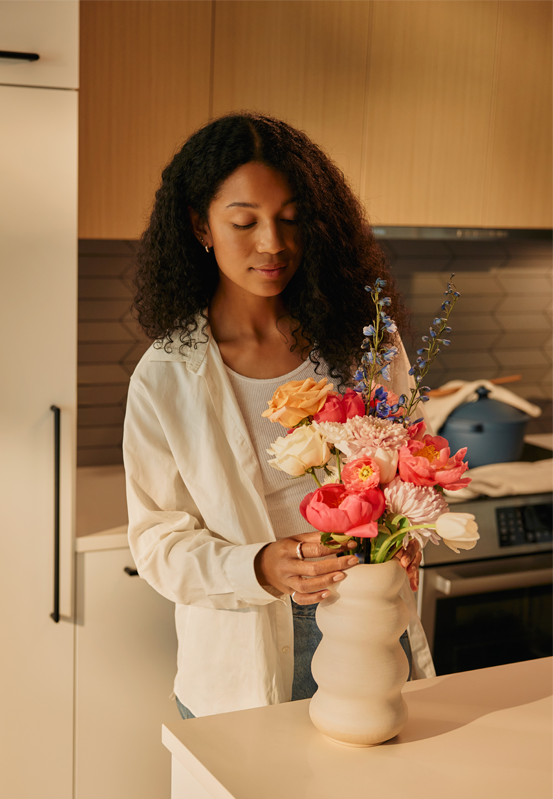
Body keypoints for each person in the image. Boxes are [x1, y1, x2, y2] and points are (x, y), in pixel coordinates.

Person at [124, 112, 434, 720]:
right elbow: (158, 542)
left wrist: (408, 534)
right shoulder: (167, 376)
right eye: (245, 222)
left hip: (369, 621)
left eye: (291, 219)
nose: (273, 243)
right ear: (200, 226)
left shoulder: (363, 344)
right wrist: (260, 567)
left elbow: (412, 469)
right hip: (246, 652)